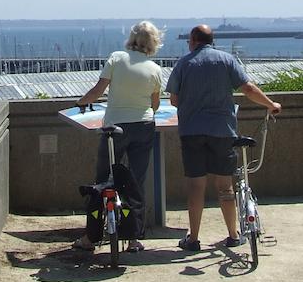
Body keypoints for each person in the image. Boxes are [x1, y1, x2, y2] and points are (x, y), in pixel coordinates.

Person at [166, 24, 282, 251]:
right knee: (225, 186)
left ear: (193, 40)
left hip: (192, 132)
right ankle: (232, 234)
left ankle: (194, 238)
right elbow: (247, 88)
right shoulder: (227, 60)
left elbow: (174, 100)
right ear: (212, 41)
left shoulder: (184, 63)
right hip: (222, 131)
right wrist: (270, 104)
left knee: (196, 186)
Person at [72, 20, 164, 253]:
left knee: (102, 180)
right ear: (153, 42)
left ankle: (91, 237)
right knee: (136, 182)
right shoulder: (155, 69)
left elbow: (98, 90)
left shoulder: (116, 58)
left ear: (132, 39)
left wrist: (81, 102)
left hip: (116, 127)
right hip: (143, 126)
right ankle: (133, 238)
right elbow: (154, 105)